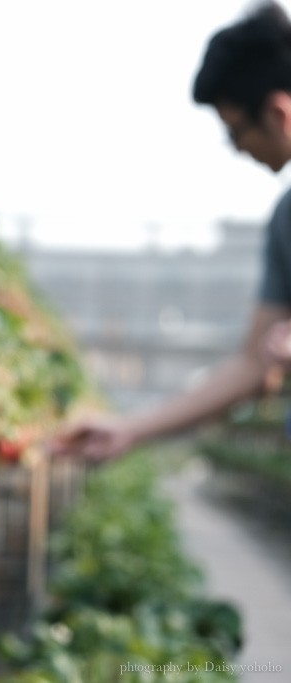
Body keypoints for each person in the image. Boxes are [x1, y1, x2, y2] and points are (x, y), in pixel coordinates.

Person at [51, 0, 291, 461]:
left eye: (236, 132)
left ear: (278, 113)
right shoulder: (286, 219)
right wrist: (129, 428)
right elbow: (253, 362)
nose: (239, 150)